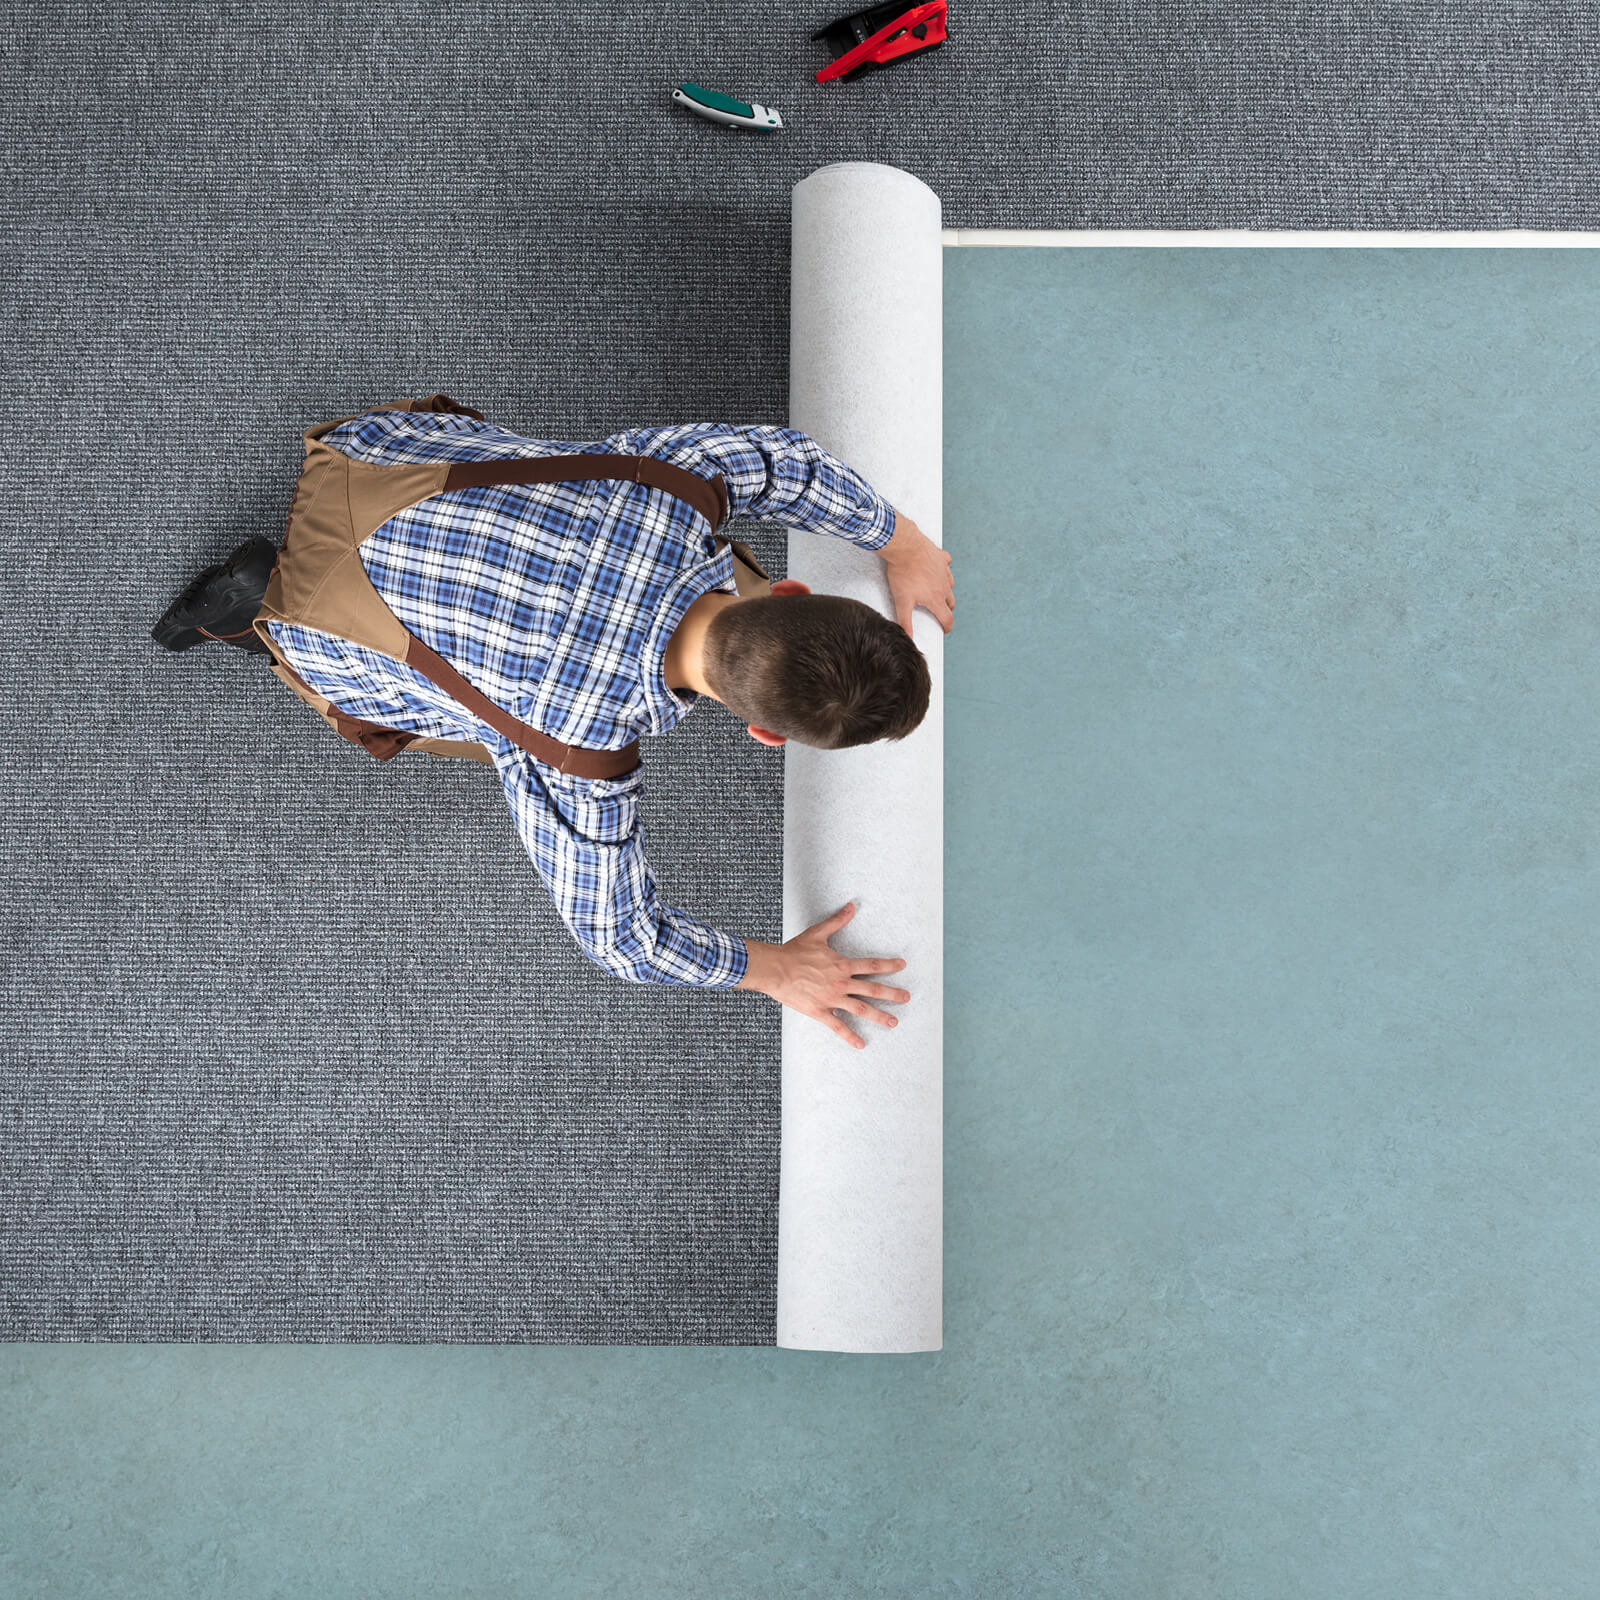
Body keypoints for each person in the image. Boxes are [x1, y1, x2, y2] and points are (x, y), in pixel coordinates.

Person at [154, 409, 955, 1049]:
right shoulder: (577, 751)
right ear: (764, 735)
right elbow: (623, 941)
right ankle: (255, 615)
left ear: (790, 593)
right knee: (493, 734)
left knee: (545, 508)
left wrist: (904, 541)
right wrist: (774, 971)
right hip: (320, 614)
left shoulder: (675, 489)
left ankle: (290, 580)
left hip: (372, 460)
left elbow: (792, 463)